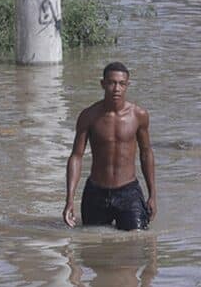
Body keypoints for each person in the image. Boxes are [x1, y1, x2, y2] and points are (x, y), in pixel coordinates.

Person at [63, 62, 156, 230]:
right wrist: (69, 199)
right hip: (96, 192)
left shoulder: (138, 115)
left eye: (121, 83)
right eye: (112, 83)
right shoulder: (89, 116)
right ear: (103, 84)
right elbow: (76, 156)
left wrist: (152, 195)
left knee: (137, 238)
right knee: (91, 241)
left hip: (128, 192)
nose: (116, 89)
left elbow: (146, 153)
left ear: (127, 85)